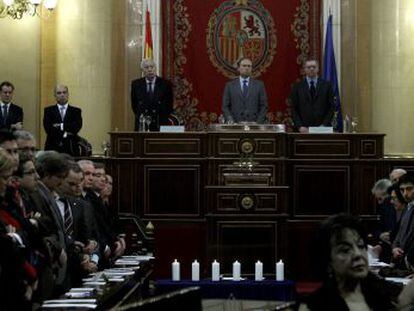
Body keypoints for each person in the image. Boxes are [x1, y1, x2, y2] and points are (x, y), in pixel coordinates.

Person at [299, 214, 402, 311]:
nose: (358, 254)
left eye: (361, 246)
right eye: (345, 250)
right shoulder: (314, 306)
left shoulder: (386, 295)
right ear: (328, 260)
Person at [290, 59, 334, 133]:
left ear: (318, 69)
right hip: (303, 130)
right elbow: (294, 109)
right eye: (308, 67)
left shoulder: (327, 85)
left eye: (314, 67)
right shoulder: (297, 87)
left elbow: (331, 107)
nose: (311, 69)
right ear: (304, 69)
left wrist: (324, 125)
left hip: (323, 129)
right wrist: (300, 126)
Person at [131, 59, 174, 131]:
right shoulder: (136, 84)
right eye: (146, 67)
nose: (150, 69)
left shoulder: (165, 84)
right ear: (142, 70)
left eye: (152, 67)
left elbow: (169, 104)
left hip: (160, 123)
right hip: (143, 123)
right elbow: (134, 105)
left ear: (155, 68)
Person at [222, 58, 268, 123]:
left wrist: (258, 122)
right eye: (244, 65)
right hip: (235, 125)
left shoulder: (259, 85)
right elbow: (225, 106)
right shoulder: (230, 86)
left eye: (249, 66)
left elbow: (264, 106)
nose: (246, 68)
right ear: (238, 68)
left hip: (254, 125)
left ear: (251, 69)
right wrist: (230, 120)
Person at [43, 85, 82, 155]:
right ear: (55, 95)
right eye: (59, 93)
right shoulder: (48, 111)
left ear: (68, 94)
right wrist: (66, 133)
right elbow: (48, 129)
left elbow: (76, 127)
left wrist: (60, 126)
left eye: (64, 92)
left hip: (71, 149)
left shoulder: (76, 111)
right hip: (52, 148)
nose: (62, 95)